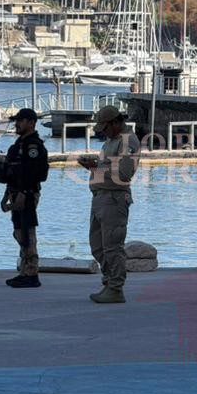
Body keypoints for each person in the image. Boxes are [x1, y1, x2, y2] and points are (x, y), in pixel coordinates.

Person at [78, 106, 140, 304]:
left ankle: (115, 288)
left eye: (104, 127)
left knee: (113, 247)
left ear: (115, 122)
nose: (102, 132)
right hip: (100, 197)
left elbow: (124, 174)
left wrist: (96, 166)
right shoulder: (111, 140)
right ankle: (109, 281)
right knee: (97, 246)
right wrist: (94, 165)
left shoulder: (128, 142)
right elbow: (109, 167)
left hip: (114, 199)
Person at [1, 108, 49, 289]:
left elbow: (35, 173)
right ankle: (25, 271)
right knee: (19, 231)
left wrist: (25, 192)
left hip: (27, 194)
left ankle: (31, 273)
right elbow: (12, 172)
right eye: (16, 121)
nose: (17, 124)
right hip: (14, 192)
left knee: (27, 233)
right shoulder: (18, 145)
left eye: (20, 121)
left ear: (31, 123)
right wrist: (6, 195)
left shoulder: (33, 146)